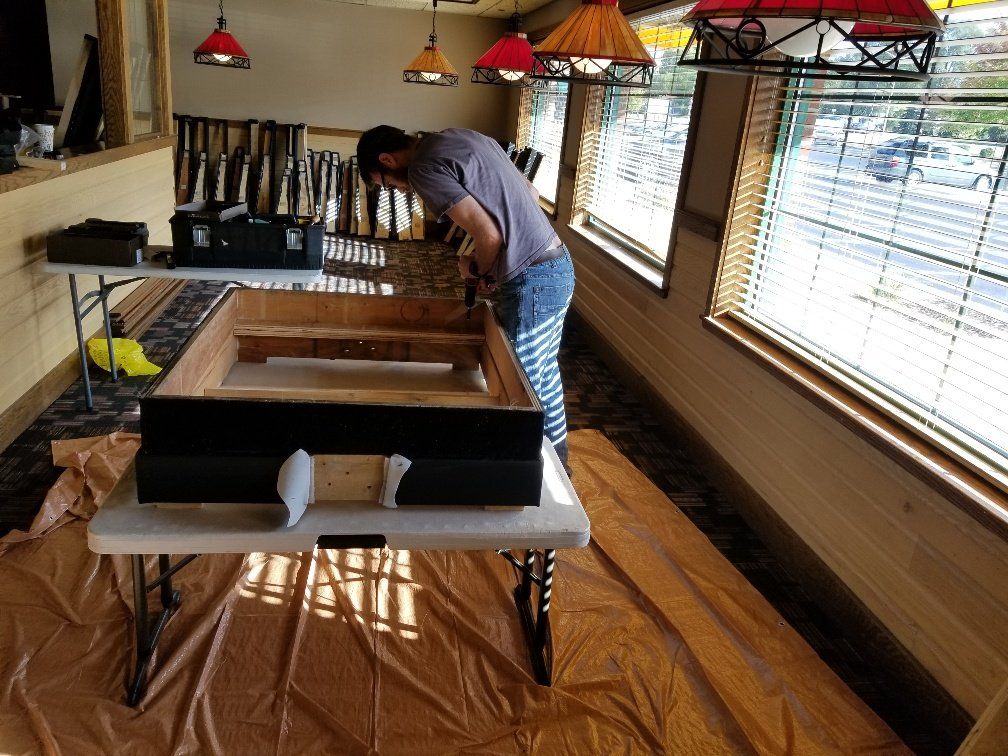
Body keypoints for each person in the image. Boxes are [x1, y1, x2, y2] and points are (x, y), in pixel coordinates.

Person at [356, 125, 575, 467]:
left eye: (388, 184)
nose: (399, 190)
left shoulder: (422, 169)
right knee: (543, 374)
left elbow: (489, 235)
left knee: (518, 386)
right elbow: (530, 193)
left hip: (532, 278)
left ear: (387, 159)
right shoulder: (462, 136)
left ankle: (522, 475)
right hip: (557, 265)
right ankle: (558, 461)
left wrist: (481, 273)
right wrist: (482, 264)